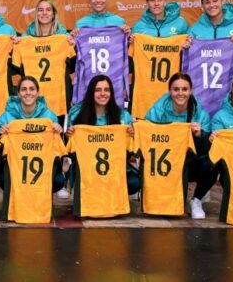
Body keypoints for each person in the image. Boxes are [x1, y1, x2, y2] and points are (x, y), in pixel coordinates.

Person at [144, 73, 213, 219]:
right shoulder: (158, 110)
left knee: (212, 162)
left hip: (189, 161)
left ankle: (197, 199)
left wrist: (200, 136)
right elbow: (146, 133)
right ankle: (153, 195)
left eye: (184, 89)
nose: (180, 93)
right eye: (176, 89)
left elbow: (206, 149)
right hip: (165, 162)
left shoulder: (200, 114)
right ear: (170, 91)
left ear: (191, 90)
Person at [66, 75, 140, 199]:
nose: (103, 94)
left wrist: (132, 135)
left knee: (134, 183)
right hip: (86, 169)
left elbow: (131, 151)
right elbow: (70, 150)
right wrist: (70, 135)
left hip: (115, 168)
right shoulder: (77, 113)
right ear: (91, 92)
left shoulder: (123, 116)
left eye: (106, 90)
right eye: (98, 90)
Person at [0, 77, 65, 193]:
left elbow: (57, 147)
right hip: (16, 167)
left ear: (37, 93)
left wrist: (58, 130)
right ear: (18, 93)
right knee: (4, 178)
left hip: (42, 167)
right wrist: (0, 132)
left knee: (57, 180)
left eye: (32, 89)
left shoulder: (49, 116)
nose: (28, 92)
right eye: (23, 89)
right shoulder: (6, 116)